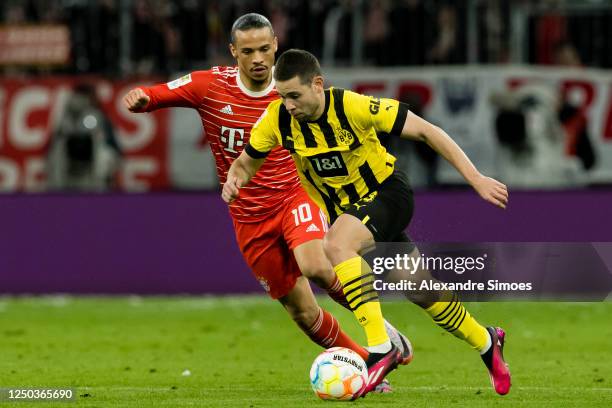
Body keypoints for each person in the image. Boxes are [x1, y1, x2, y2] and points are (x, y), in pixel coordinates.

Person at [123, 14, 410, 393]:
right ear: (233, 52)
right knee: (304, 313)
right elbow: (156, 94)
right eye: (248, 51)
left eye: (264, 49)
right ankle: (366, 370)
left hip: (295, 196)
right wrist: (141, 99)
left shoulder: (291, 89)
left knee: (317, 265)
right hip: (248, 216)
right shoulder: (209, 86)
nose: (258, 58)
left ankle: (380, 336)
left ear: (275, 44)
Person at [223, 49, 512, 397]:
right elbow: (246, 162)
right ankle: (486, 341)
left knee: (335, 244)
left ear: (318, 85)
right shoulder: (278, 119)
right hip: (355, 216)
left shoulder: (354, 107)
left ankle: (380, 348)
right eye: (283, 97)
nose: (289, 105)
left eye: (295, 96)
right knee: (421, 289)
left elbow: (427, 131)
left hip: (389, 196)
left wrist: (475, 177)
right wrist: (234, 179)